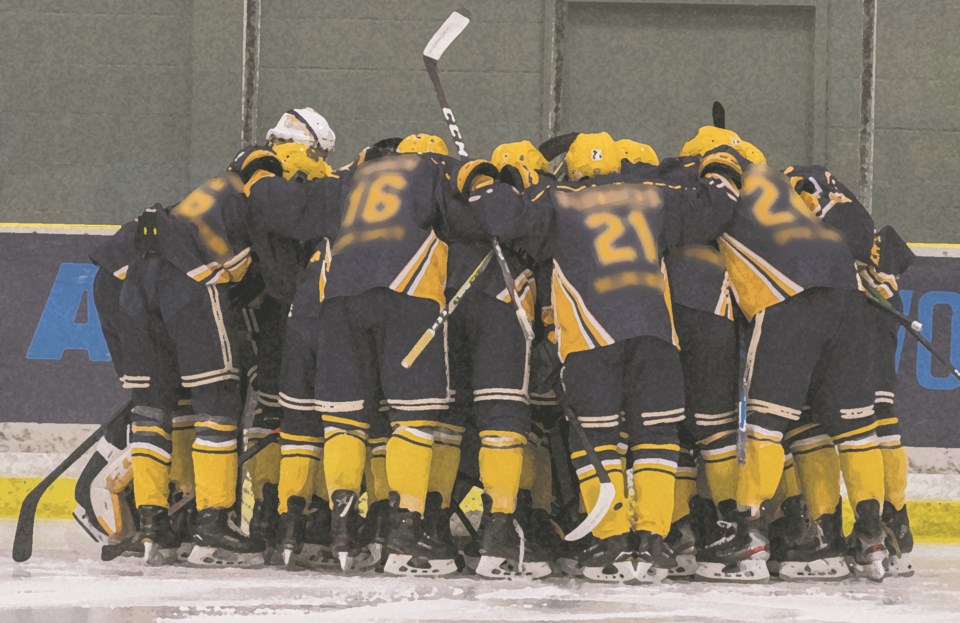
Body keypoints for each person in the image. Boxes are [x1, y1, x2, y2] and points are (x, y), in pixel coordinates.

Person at [455, 131, 740, 582]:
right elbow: (714, 206)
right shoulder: (652, 194)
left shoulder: (556, 198)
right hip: (655, 336)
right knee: (656, 440)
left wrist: (477, 177)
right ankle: (651, 540)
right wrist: (723, 162)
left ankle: (610, 539)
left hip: (590, 340)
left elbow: (501, 217)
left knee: (599, 441)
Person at [242, 132, 463, 576]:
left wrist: (254, 168)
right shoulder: (438, 171)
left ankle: (334, 527)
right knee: (410, 418)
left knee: (340, 420)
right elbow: (482, 222)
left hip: (335, 306)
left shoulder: (349, 178)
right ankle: (404, 530)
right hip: (407, 295)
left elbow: (284, 209)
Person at [682, 142, 888, 583]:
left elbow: (704, 217)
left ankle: (749, 532)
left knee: (764, 425)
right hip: (845, 293)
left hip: (787, 296)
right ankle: (869, 536)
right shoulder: (782, 183)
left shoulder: (720, 176)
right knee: (855, 429)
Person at [119, 149, 282, 567]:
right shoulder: (254, 197)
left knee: (153, 409)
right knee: (218, 400)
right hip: (189, 280)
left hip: (137, 282)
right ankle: (213, 522)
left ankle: (155, 522)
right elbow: (270, 275)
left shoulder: (207, 190)